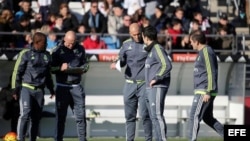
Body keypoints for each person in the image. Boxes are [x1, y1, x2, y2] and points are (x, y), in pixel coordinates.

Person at [110, 23, 152, 141]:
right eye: (134, 35)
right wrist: (116, 62)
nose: (137, 37)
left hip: (144, 83)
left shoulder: (148, 43)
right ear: (130, 34)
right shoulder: (126, 44)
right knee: (129, 116)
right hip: (129, 84)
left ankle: (148, 139)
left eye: (139, 34)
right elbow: (122, 60)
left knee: (145, 115)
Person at [11, 32, 55, 141]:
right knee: (25, 114)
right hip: (26, 88)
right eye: (44, 43)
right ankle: (21, 138)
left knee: (36, 119)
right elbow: (17, 72)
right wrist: (15, 89)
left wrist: (51, 89)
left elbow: (48, 74)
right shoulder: (25, 53)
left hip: (40, 91)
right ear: (37, 42)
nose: (46, 44)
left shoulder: (47, 55)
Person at [51, 30, 89, 141]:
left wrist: (83, 69)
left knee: (81, 116)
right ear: (64, 39)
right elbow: (51, 69)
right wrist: (59, 68)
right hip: (62, 87)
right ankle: (58, 139)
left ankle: (82, 139)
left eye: (73, 42)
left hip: (76, 87)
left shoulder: (80, 49)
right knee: (61, 117)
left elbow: (86, 65)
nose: (71, 45)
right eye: (68, 42)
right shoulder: (57, 51)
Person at [188, 29, 224, 141]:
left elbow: (211, 71)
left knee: (193, 117)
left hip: (204, 91)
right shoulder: (202, 53)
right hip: (204, 90)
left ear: (197, 42)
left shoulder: (206, 51)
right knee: (207, 118)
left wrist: (208, 91)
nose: (191, 44)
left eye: (191, 42)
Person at [141, 25, 172, 141]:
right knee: (153, 117)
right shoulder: (151, 50)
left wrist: (157, 78)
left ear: (146, 37)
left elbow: (167, 64)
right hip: (151, 88)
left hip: (158, 86)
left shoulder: (157, 48)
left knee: (157, 116)